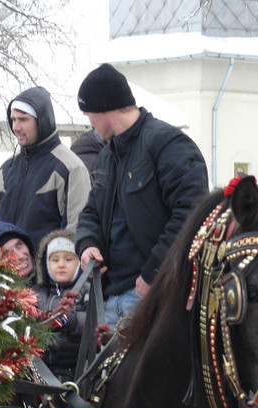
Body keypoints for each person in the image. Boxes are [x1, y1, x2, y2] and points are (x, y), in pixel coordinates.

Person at [74, 63, 209, 328]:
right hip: (109, 301)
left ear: (104, 109)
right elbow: (91, 212)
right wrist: (88, 243)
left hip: (156, 297)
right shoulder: (106, 157)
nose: (88, 122)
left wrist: (154, 274)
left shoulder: (168, 144)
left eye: (88, 113)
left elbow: (192, 214)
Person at [0, 86, 91, 249]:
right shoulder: (6, 170)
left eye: (23, 119)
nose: (16, 127)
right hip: (4, 272)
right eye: (13, 119)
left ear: (42, 120)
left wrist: (48, 270)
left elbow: (77, 232)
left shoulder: (70, 168)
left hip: (48, 272)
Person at [33, 230, 88, 383]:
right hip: (43, 369)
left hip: (75, 368)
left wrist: (71, 319)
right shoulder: (38, 292)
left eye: (69, 259)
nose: (61, 265)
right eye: (55, 260)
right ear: (46, 264)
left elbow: (94, 322)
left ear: (79, 262)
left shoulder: (87, 290)